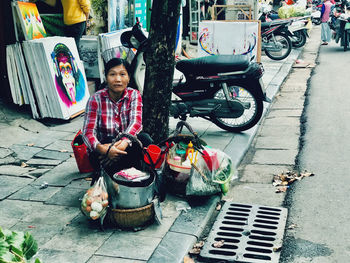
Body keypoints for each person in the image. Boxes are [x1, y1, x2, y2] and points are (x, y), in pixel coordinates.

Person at [82, 58, 153, 180]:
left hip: (126, 148)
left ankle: (133, 175)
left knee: (144, 139)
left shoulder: (134, 95)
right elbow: (88, 132)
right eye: (112, 74)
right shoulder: (95, 99)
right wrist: (104, 150)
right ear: (106, 77)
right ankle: (109, 177)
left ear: (129, 77)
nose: (118, 79)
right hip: (104, 149)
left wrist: (123, 143)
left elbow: (136, 123)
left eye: (122, 74)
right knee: (106, 141)